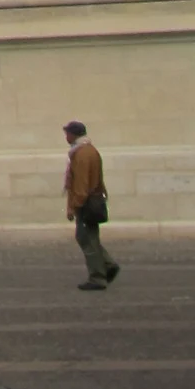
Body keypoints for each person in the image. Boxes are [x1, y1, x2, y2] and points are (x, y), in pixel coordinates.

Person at [64, 119, 118, 289]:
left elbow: (81, 183)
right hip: (92, 199)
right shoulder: (89, 151)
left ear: (73, 134)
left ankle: (98, 276)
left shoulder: (81, 154)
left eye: (67, 133)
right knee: (89, 237)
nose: (66, 136)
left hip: (86, 202)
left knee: (87, 238)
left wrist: (74, 205)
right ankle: (107, 265)